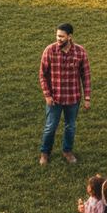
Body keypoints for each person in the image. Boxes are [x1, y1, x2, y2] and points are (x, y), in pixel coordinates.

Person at [38, 23, 91, 165]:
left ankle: (67, 151)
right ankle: (45, 153)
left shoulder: (80, 52)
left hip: (73, 98)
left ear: (70, 36)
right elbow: (42, 75)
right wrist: (47, 95)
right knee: (50, 127)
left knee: (70, 127)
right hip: (54, 99)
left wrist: (87, 97)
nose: (58, 39)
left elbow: (85, 76)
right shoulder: (50, 50)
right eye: (57, 36)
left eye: (61, 36)